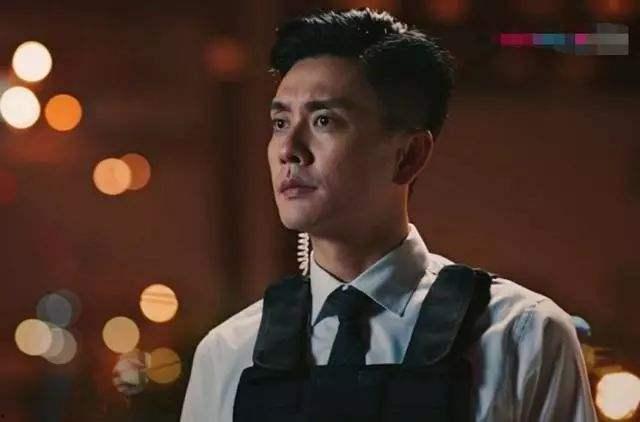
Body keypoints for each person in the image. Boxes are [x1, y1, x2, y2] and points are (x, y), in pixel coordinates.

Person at [176, 7, 597, 421]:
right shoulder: (229, 354)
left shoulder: (520, 337)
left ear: (409, 155)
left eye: (324, 120)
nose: (289, 150)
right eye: (281, 123)